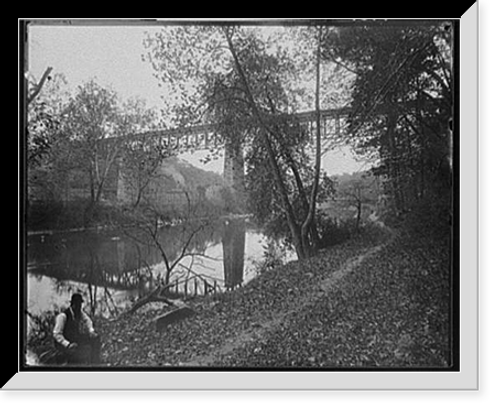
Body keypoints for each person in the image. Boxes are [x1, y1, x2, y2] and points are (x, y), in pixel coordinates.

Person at [53, 293, 101, 364]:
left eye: (80, 305)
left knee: (96, 338)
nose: (79, 307)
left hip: (74, 338)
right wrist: (68, 344)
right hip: (63, 342)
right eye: (77, 304)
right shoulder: (63, 316)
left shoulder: (79, 312)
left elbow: (87, 320)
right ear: (73, 304)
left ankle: (95, 363)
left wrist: (91, 331)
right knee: (75, 354)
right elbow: (57, 334)